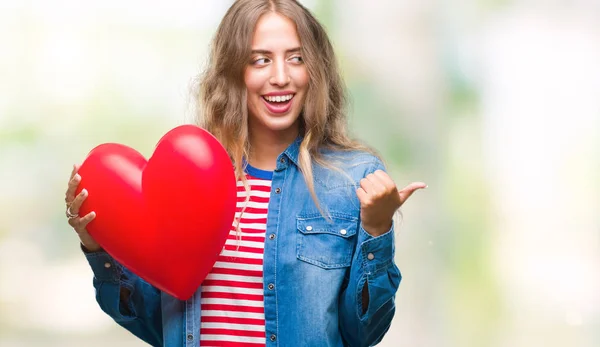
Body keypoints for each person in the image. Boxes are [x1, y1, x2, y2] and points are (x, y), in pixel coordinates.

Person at [63, 0, 426, 346]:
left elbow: (364, 333)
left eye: (296, 58)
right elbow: (152, 322)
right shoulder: (190, 179)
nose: (280, 77)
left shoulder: (353, 179)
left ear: (315, 70)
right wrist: (96, 243)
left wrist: (377, 229)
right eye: (261, 60)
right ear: (235, 71)